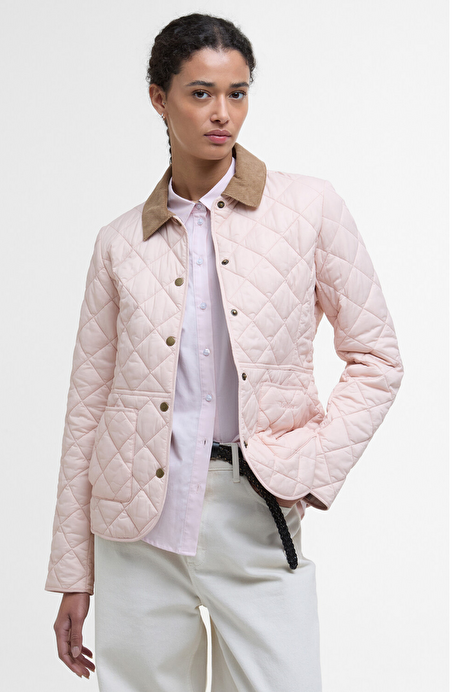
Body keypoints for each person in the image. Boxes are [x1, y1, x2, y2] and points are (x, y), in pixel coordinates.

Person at [45, 13, 404, 692]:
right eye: (201, 93)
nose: (222, 113)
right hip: (134, 529)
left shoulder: (309, 207)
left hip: (256, 508)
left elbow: (377, 357)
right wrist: (73, 572)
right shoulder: (119, 243)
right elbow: (87, 407)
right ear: (159, 98)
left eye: (237, 93)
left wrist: (307, 465)